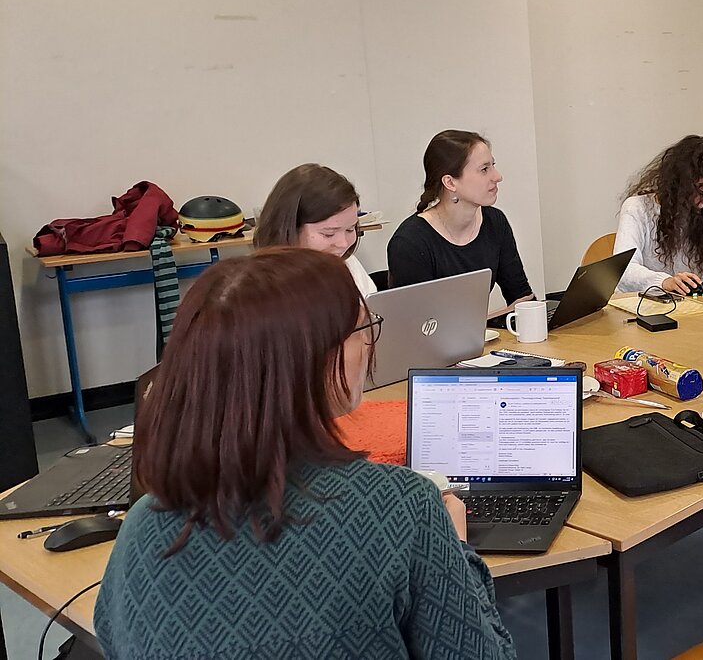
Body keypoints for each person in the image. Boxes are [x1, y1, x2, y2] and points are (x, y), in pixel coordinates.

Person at [95, 248, 515, 659]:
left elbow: (113, 636)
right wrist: (458, 550)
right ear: (317, 358)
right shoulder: (402, 506)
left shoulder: (143, 525)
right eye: (363, 329)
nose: (369, 343)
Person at [387, 130, 533, 317]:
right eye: (484, 169)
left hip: (477, 334)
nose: (497, 176)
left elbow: (523, 299)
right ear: (450, 182)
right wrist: (483, 323)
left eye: (493, 166)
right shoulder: (410, 242)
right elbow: (418, 325)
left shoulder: (495, 222)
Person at [614, 135, 703, 294]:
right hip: (637, 303)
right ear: (684, 175)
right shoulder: (637, 208)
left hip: (684, 305)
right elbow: (624, 271)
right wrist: (665, 282)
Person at [255, 163, 377, 295]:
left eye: (350, 229)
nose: (343, 243)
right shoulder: (262, 284)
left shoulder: (349, 264)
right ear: (290, 229)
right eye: (329, 234)